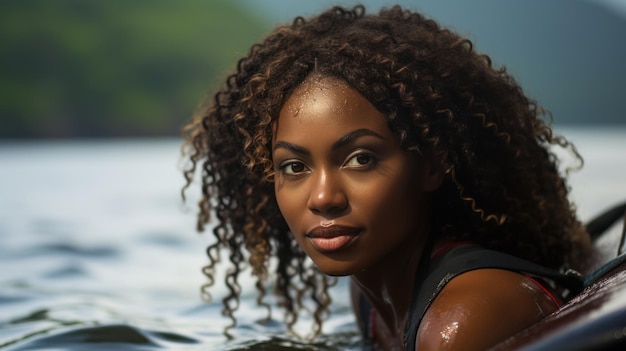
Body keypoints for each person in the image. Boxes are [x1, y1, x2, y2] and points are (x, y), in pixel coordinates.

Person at [181, 5, 590, 350]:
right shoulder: (369, 292)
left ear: (431, 166)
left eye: (360, 159)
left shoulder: (465, 319)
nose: (323, 197)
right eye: (294, 167)